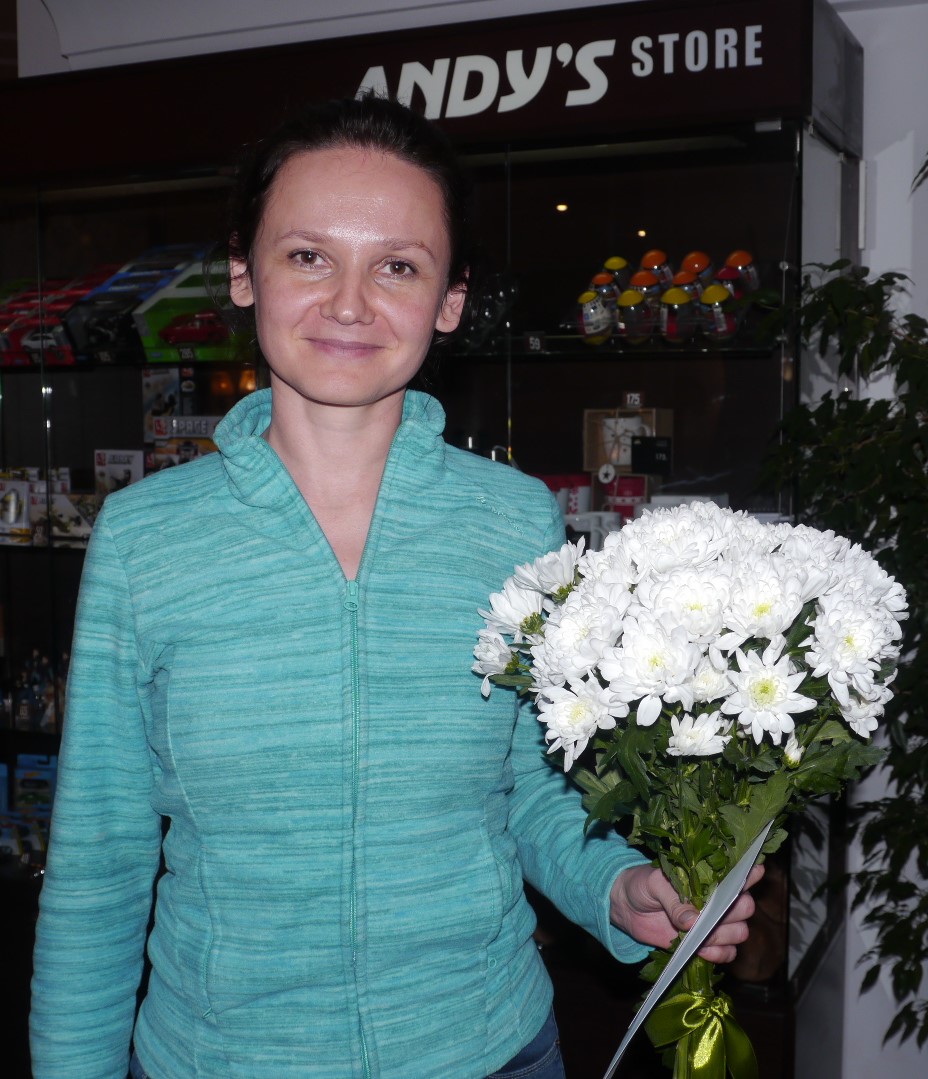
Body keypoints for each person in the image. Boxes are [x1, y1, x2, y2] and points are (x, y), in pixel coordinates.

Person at [30, 94, 759, 1079]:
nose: (349, 302)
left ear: (449, 300)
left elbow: (532, 796)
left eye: (398, 266)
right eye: (308, 256)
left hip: (489, 1048)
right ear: (243, 272)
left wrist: (616, 887)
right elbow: (99, 860)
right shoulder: (145, 538)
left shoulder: (515, 520)